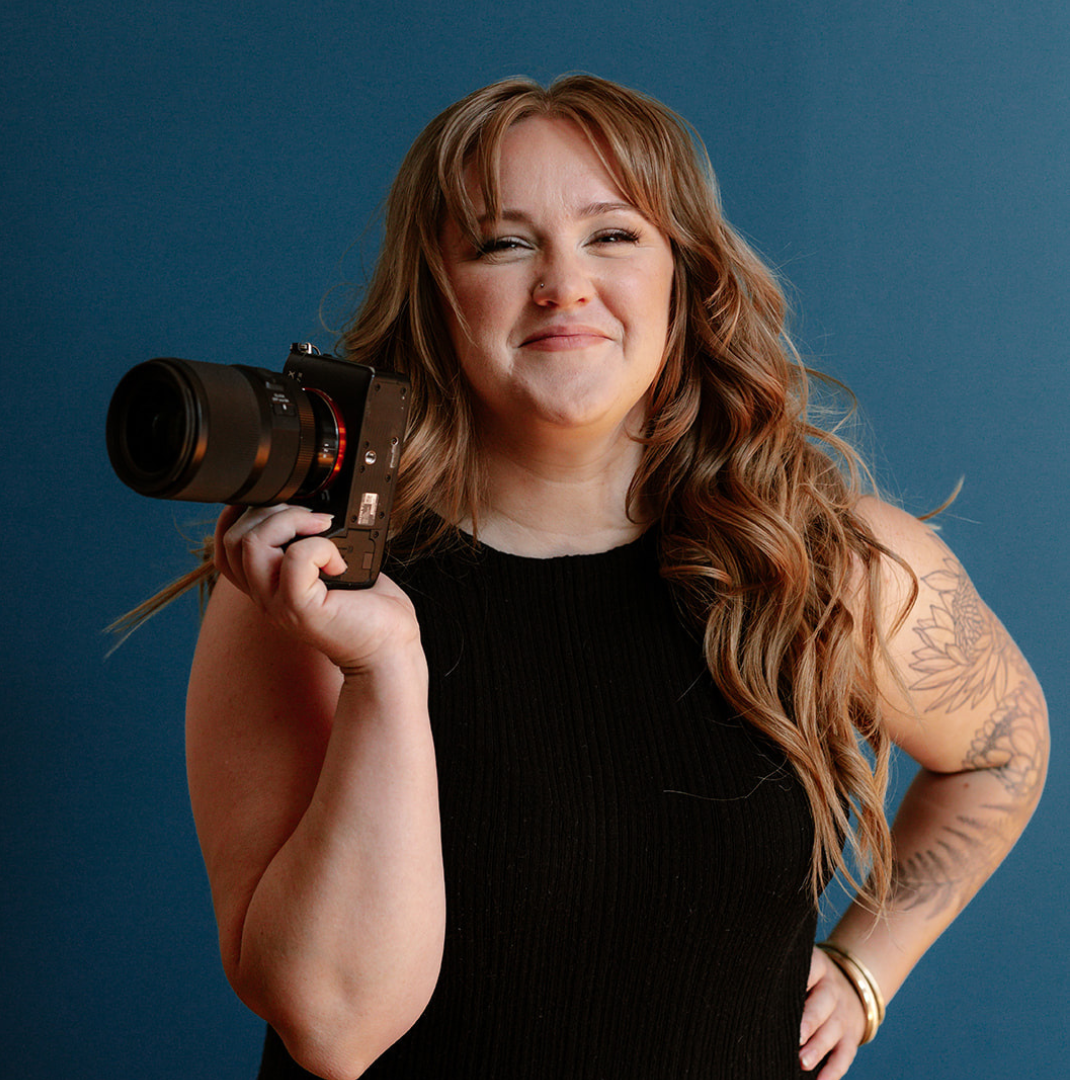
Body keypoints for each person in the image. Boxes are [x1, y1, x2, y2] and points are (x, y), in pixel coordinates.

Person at [183, 75, 1048, 1079]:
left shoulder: (822, 564)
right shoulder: (315, 584)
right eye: (504, 243)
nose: (563, 285)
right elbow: (334, 1031)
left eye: (613, 235)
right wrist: (385, 673)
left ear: (685, 272)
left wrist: (869, 965)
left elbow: (1005, 752)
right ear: (438, 292)